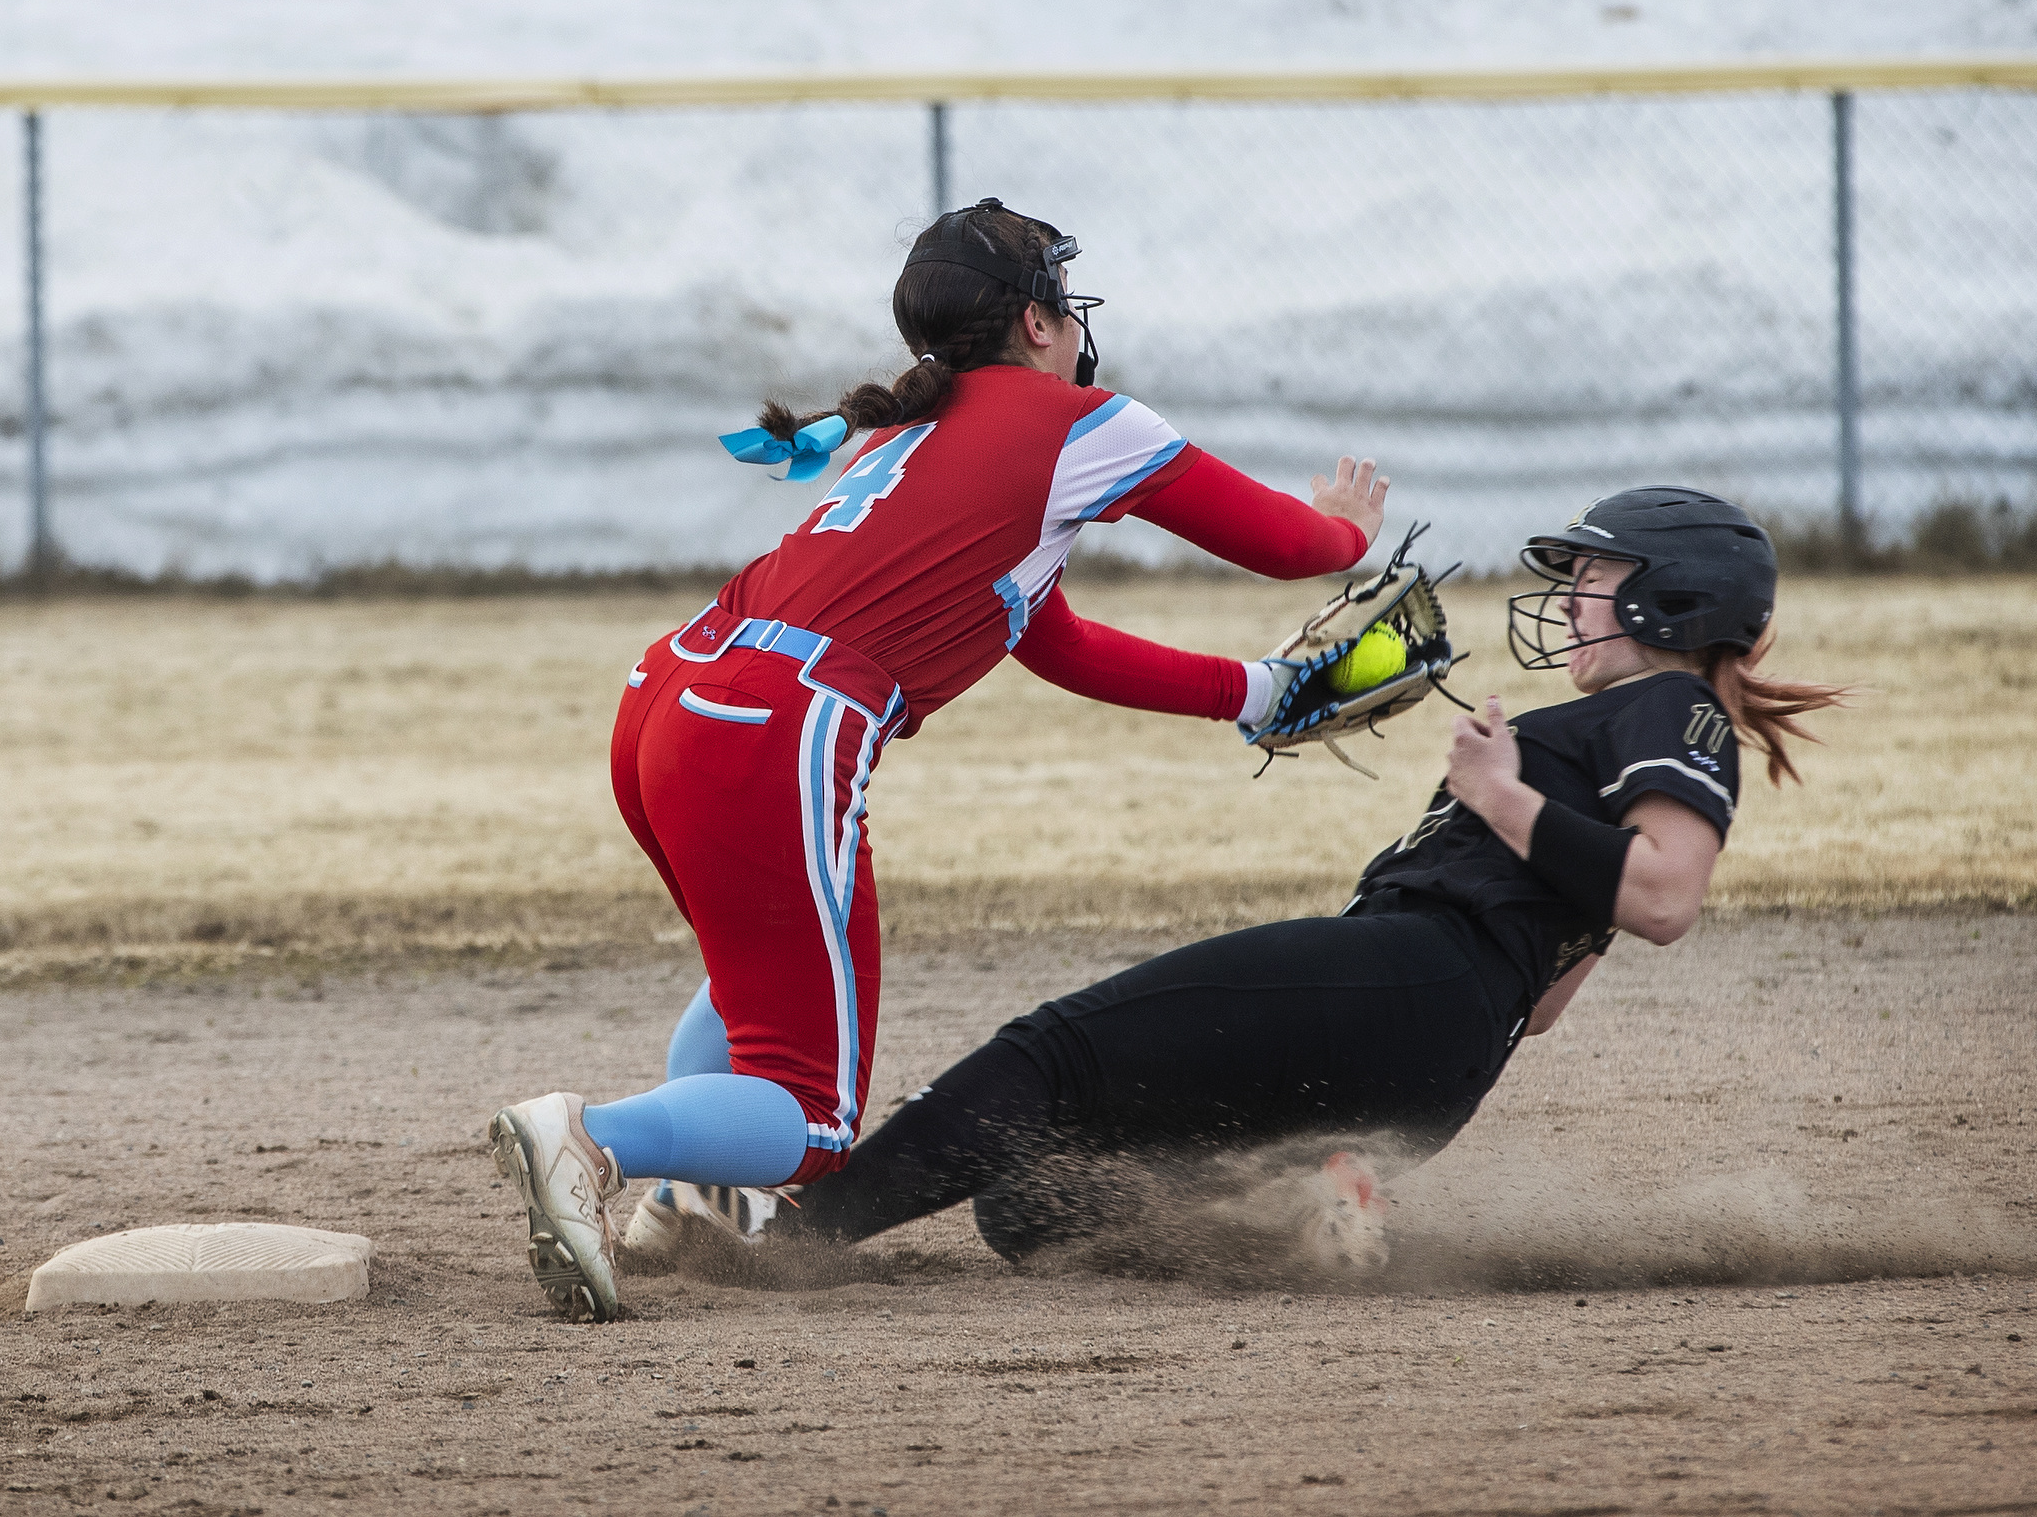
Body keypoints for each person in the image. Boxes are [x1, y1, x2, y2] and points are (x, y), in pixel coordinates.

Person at [486, 197, 1398, 1321]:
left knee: (752, 977)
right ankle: (590, 1137)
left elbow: (1052, 641)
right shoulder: (1080, 422)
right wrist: (1342, 530)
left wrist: (1255, 694)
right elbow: (1280, 542)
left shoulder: (909, 427)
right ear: (1033, 319)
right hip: (782, 721)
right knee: (812, 1120)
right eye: (1063, 299)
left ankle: (690, 1193)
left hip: (672, 693)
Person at [753, 486, 1848, 1269]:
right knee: (1032, 1206)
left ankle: (795, 1241)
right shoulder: (1643, 721)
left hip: (1413, 974)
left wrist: (1498, 794)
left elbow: (1661, 897)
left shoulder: (1668, 706)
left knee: (1053, 1057)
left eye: (1596, 577)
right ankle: (1310, 1210)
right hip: (1442, 1058)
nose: (1570, 598)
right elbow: (1550, 996)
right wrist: (1516, 844)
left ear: (1675, 598)